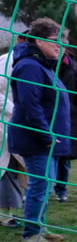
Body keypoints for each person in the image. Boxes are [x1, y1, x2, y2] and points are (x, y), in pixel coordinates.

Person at [8, 17, 71, 242]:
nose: (59, 46)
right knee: (39, 184)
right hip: (37, 140)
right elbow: (30, 106)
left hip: (50, 140)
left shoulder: (43, 65)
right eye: (55, 40)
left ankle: (40, 226)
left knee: (47, 183)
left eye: (62, 41)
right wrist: (46, 136)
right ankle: (31, 233)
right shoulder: (29, 67)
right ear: (38, 40)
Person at [53, 30, 77, 202]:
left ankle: (61, 188)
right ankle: (40, 187)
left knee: (65, 155)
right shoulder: (43, 63)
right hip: (49, 113)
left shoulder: (70, 62)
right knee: (47, 154)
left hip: (67, 116)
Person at [0, 32, 27, 228]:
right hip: (5, 122)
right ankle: (5, 214)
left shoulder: (31, 64)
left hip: (21, 123)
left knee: (19, 166)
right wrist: (14, 110)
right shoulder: (6, 62)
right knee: (5, 165)